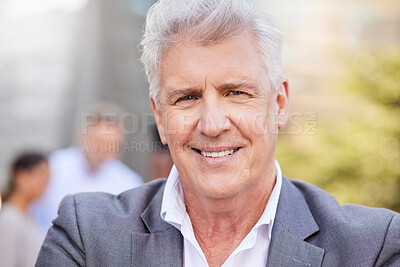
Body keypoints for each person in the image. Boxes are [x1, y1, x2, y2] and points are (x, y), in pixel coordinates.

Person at [36, 1, 400, 266]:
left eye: (236, 93)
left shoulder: (373, 247)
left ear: (280, 103)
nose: (212, 125)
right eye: (187, 97)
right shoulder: (86, 235)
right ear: (160, 118)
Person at [30, 102, 143, 232]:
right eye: (99, 142)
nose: (105, 150)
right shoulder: (51, 167)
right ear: (82, 136)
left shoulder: (129, 183)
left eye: (113, 145)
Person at [0, 152, 49, 267]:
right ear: (20, 175)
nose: (45, 183)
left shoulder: (31, 216)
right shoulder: (9, 219)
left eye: (47, 177)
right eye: (41, 174)